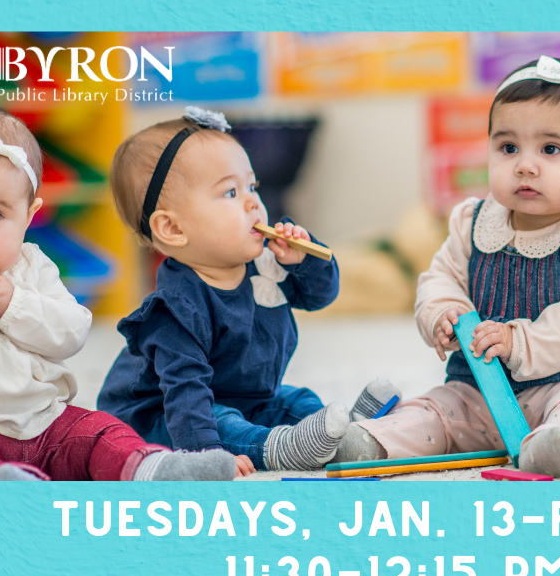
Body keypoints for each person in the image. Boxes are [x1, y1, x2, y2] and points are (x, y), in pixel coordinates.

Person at [336, 57, 560, 477]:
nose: (525, 164)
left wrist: (517, 341)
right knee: (442, 408)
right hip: (486, 389)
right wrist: (441, 313)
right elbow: (440, 277)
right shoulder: (472, 222)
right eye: (508, 148)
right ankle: (379, 440)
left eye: (550, 149)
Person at [0, 104, 235, 481]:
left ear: (28, 216)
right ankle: (2, 486)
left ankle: (150, 467)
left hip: (45, 421)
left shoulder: (31, 266)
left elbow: (70, 332)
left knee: (98, 429)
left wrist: (14, 304)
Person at [98, 107, 399, 473]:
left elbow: (320, 296)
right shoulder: (174, 310)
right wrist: (207, 457)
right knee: (222, 422)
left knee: (298, 401)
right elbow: (185, 393)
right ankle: (279, 449)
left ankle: (348, 434)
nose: (253, 202)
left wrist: (303, 262)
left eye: (252, 186)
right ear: (173, 229)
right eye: (230, 192)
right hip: (169, 416)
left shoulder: (265, 262)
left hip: (250, 398)